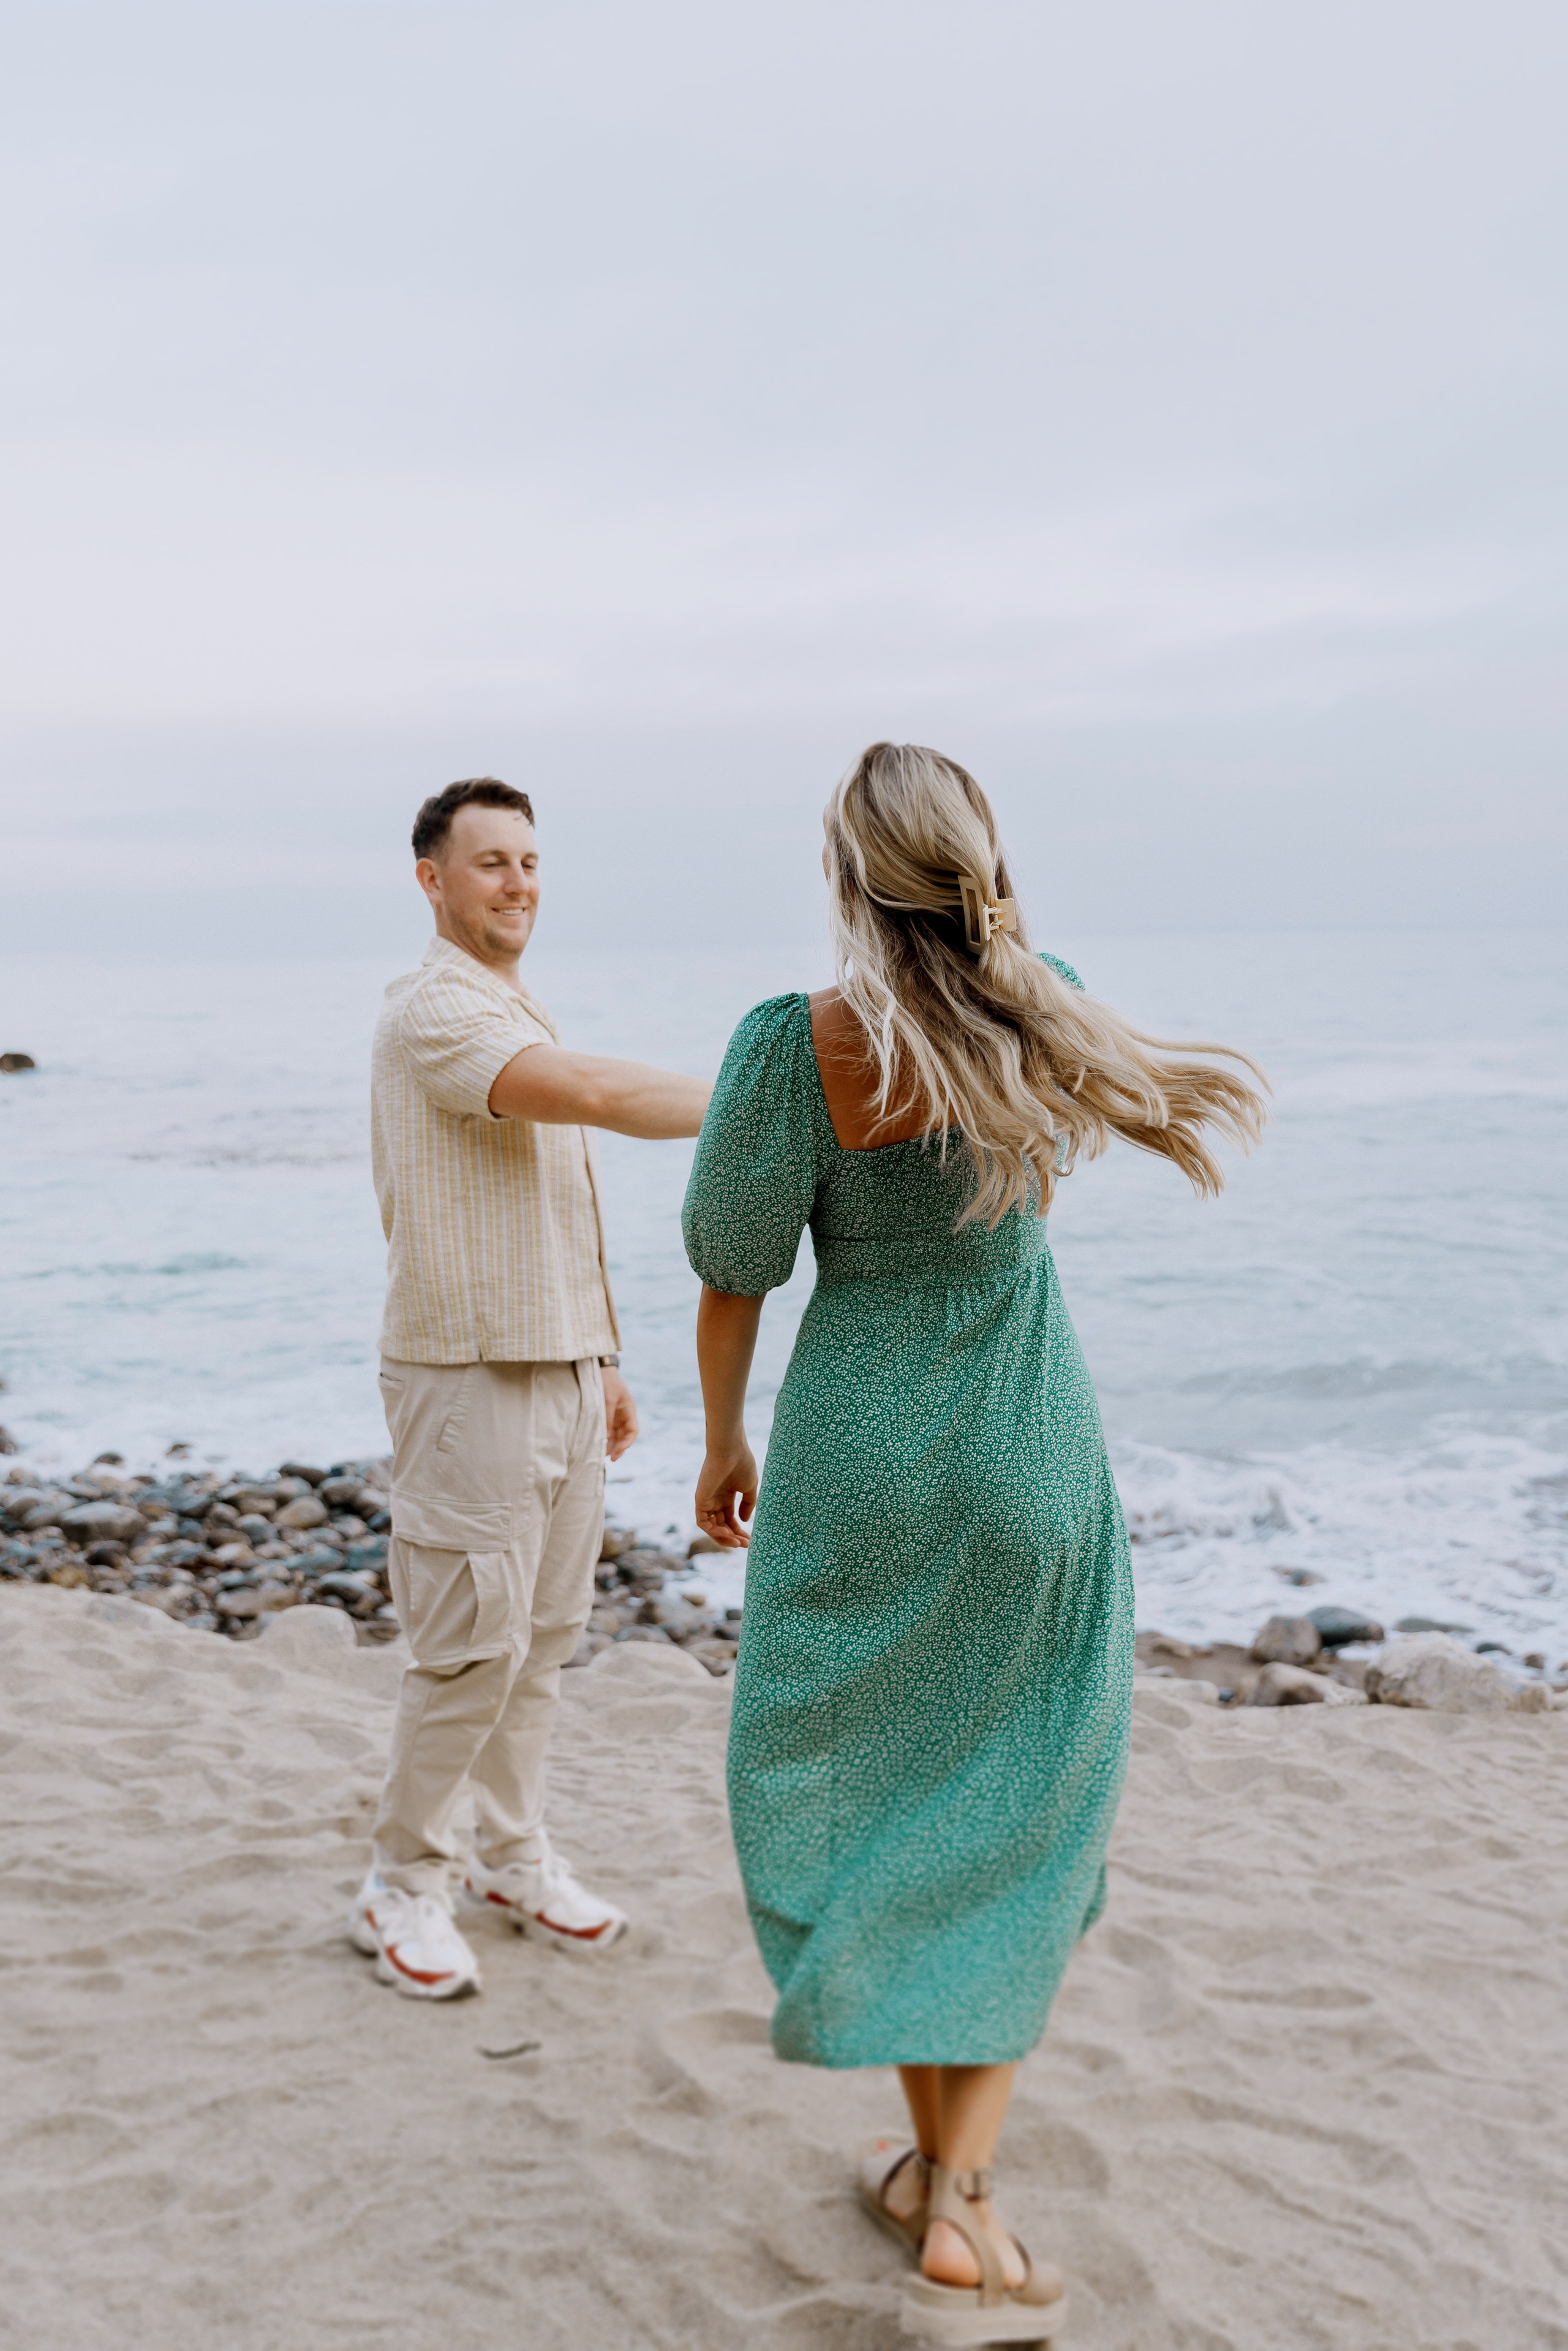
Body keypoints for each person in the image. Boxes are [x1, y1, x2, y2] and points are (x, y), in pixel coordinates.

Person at [683, 743, 1267, 2344]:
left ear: (847, 877)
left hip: (861, 1452)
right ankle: (960, 2193)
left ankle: (948, 2183)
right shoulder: (1041, 1000)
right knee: (1023, 1811)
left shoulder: (785, 1047)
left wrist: (725, 1440)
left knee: (885, 1804)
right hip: (1022, 1446)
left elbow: (735, 1266)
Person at [350, 776, 710, 2000]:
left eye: (529, 861)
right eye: (490, 861)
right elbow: (598, 1096)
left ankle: (508, 1857)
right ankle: (403, 1879)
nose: (517, 883)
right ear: (431, 880)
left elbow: (548, 1201)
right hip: (465, 1377)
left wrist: (598, 1352)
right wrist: (766, 1104)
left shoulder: (510, 1001)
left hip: (554, 1368)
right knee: (466, 1649)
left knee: (542, 1646)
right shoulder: (436, 1008)